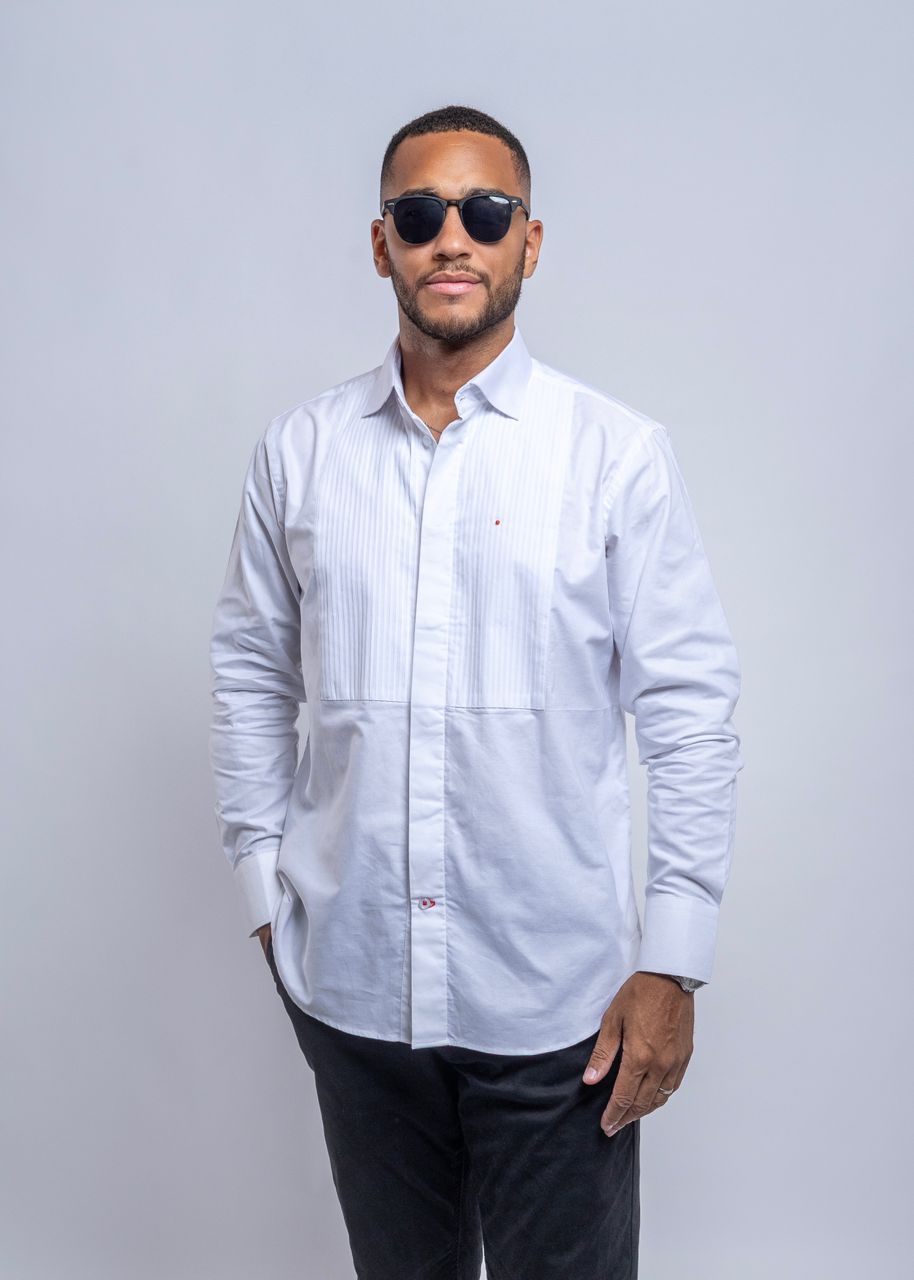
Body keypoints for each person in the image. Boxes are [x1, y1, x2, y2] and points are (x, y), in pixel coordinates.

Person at [208, 102, 744, 1280]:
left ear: (528, 241)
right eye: (418, 213)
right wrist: (263, 889)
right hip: (353, 996)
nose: (450, 236)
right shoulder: (300, 452)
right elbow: (250, 666)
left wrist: (671, 960)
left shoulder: (614, 455)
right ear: (380, 243)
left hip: (560, 1011)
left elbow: (688, 710)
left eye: (484, 211)